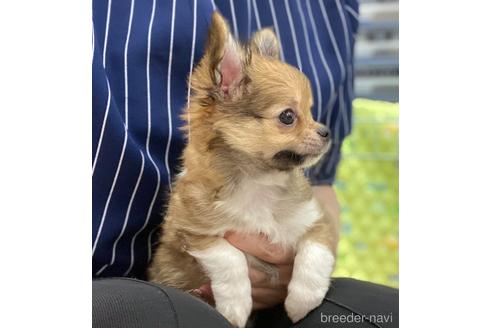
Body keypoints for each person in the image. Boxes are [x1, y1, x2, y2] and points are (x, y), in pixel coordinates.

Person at [92, 0, 398, 327]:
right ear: (225, 86)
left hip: (277, 299)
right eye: (288, 118)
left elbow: (321, 191)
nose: (318, 129)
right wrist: (231, 272)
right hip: (116, 284)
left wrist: (296, 272)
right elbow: (188, 238)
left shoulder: (334, 9)